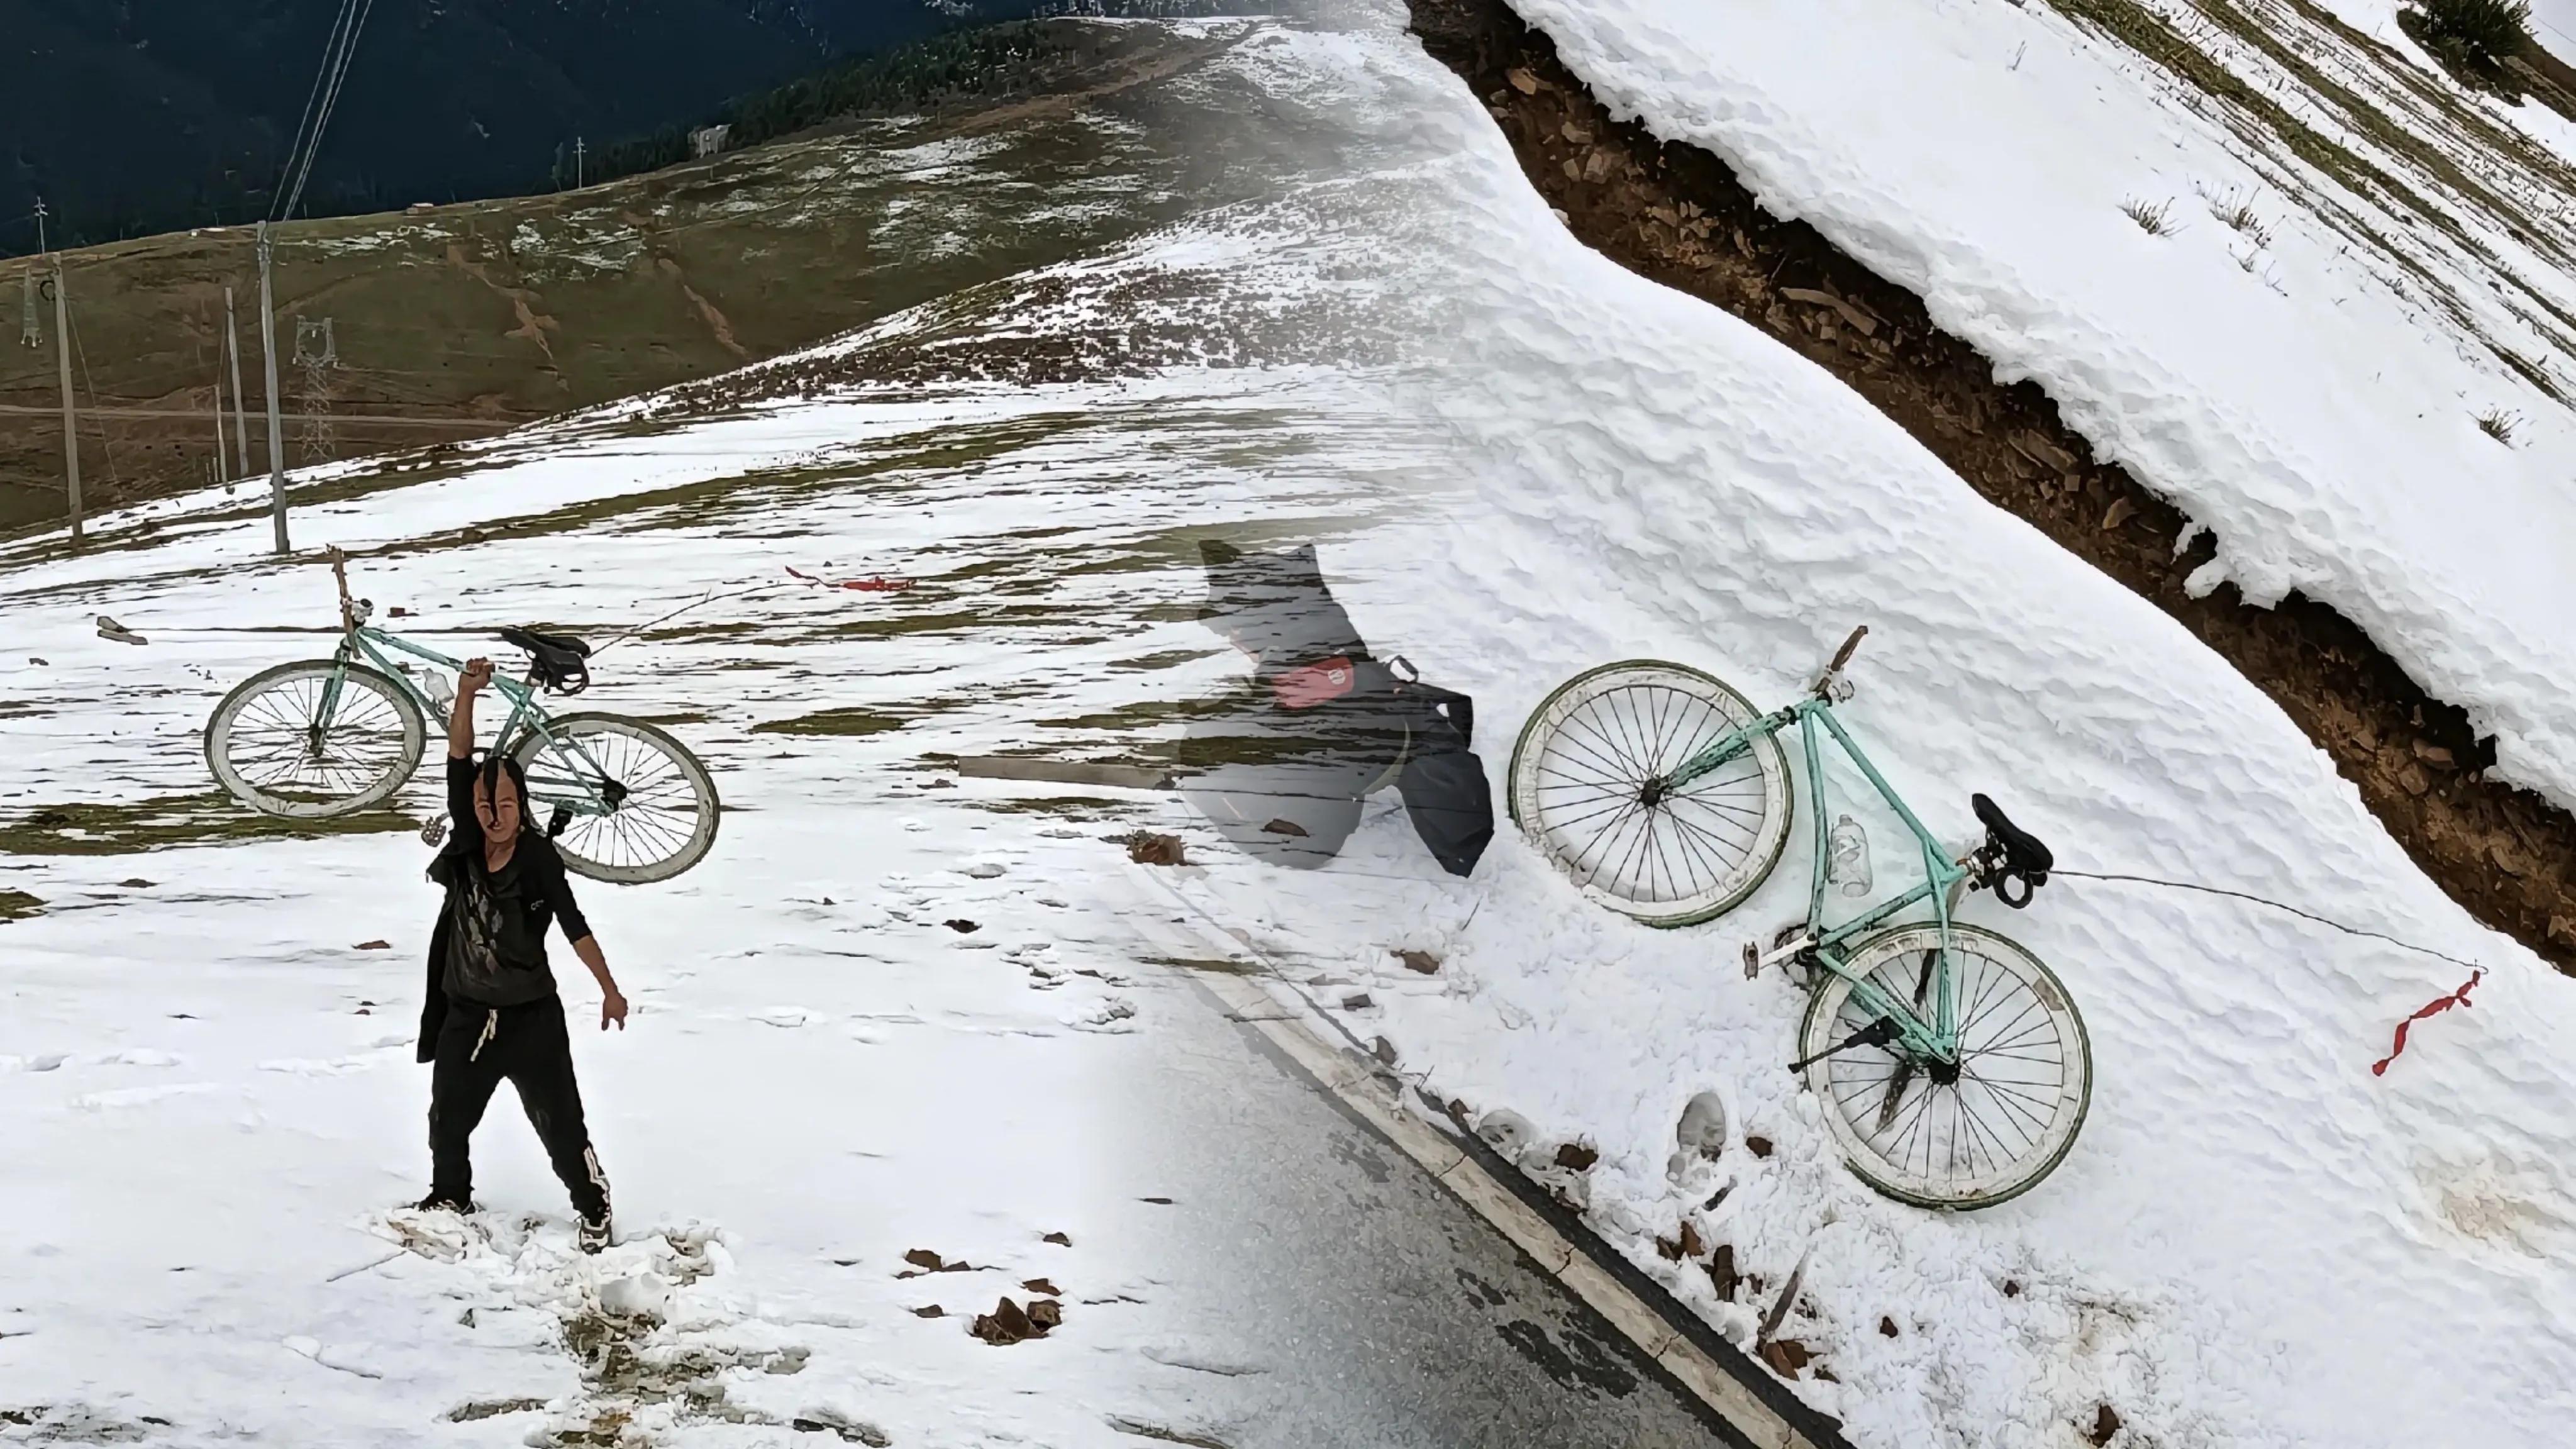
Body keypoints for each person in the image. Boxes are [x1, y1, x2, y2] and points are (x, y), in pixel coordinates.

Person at [414, 656, 628, 1253]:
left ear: (522, 804)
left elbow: (574, 925)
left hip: (531, 1018)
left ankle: (593, 1206)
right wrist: (466, 694)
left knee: (561, 1126)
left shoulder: (537, 858)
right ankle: (450, 1197)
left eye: (506, 805)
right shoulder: (467, 839)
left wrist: (609, 990)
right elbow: (460, 755)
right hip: (466, 1014)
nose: (494, 816)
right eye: (485, 806)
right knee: (447, 1117)